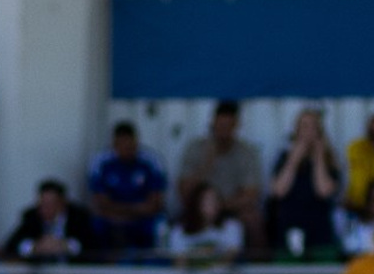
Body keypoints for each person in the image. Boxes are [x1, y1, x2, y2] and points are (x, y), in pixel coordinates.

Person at [174, 101, 264, 247]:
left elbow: (251, 195)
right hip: (199, 209)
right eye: (220, 126)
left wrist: (218, 206)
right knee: (178, 221)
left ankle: (258, 266)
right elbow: (184, 192)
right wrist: (206, 165)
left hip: (230, 209)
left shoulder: (246, 152)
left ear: (236, 126)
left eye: (228, 127)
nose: (223, 131)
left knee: (254, 219)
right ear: (212, 124)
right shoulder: (195, 148)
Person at [264, 108, 342, 252]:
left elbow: (324, 191)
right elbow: (278, 191)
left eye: (313, 127)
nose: (309, 132)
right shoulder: (284, 157)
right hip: (289, 227)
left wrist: (319, 158)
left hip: (320, 229)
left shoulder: (330, 160)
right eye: (304, 126)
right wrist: (294, 160)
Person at [86, 120, 169, 253]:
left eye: (130, 145)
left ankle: (150, 266)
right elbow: (100, 203)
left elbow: (155, 203)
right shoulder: (101, 162)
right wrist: (132, 210)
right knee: (96, 225)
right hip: (112, 217)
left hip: (143, 218)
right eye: (122, 145)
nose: (127, 150)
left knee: (159, 225)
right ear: (114, 144)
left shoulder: (151, 161)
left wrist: (126, 211)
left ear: (136, 142)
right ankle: (103, 268)